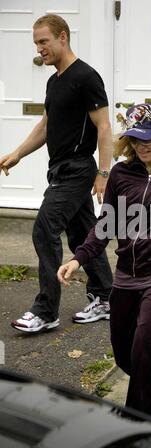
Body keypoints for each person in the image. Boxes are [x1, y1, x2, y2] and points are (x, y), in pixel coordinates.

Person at [57, 103, 151, 416]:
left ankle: (136, 425)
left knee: (144, 350)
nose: (142, 146)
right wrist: (78, 259)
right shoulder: (121, 175)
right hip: (126, 276)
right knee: (127, 356)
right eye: (136, 140)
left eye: (148, 139)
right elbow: (105, 225)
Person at [0, 14, 113, 333]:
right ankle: (106, 296)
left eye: (44, 41)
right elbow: (47, 125)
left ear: (63, 37)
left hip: (78, 170)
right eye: (36, 43)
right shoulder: (54, 81)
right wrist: (17, 154)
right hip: (59, 169)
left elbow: (103, 127)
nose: (39, 49)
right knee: (82, 235)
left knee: (43, 229)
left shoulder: (86, 77)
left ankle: (46, 309)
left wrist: (104, 172)